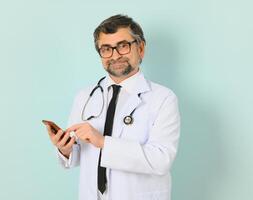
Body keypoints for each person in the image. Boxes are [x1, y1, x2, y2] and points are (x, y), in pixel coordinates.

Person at [45, 14, 180, 200]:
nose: (115, 55)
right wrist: (65, 149)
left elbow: (161, 160)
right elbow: (76, 157)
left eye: (123, 46)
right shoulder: (84, 97)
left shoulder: (163, 98)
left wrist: (102, 142)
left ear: (140, 49)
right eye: (106, 49)